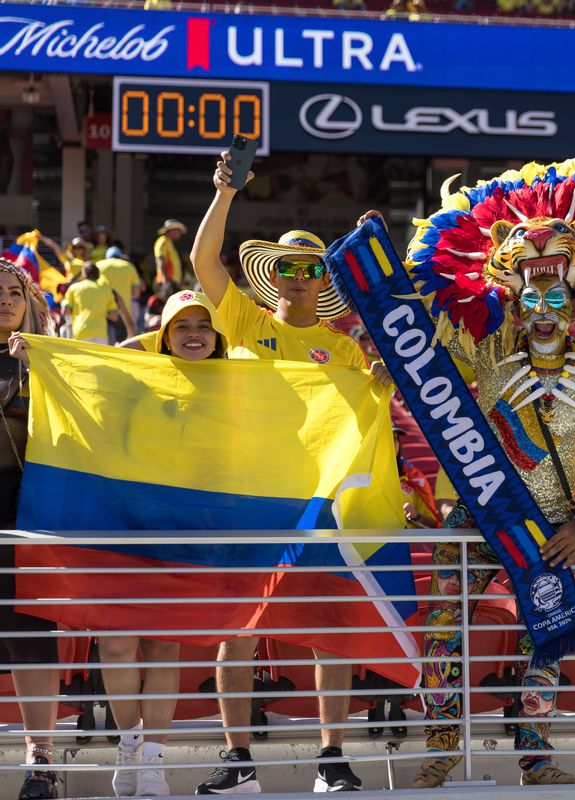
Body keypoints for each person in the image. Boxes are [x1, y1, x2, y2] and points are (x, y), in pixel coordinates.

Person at [386, 158, 575, 789]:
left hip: (553, 527)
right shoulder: (485, 353)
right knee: (444, 632)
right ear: (513, 303)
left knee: (544, 639)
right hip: (474, 518)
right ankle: (441, 743)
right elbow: (413, 329)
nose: (542, 309)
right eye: (530, 297)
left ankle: (536, 754)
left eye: (555, 298)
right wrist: (381, 260)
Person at [190, 152, 376, 794]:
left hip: (320, 501)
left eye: (312, 268)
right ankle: (237, 760)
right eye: (290, 266)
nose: (300, 276)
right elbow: (202, 265)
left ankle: (332, 760)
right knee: (236, 629)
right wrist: (224, 192)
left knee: (331, 627)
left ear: (321, 278)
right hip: (249, 495)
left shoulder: (347, 348)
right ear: (277, 275)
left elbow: (365, 423)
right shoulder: (242, 320)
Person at [75, 292, 227, 798]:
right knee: (116, 644)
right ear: (160, 336)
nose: (193, 334)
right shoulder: (135, 375)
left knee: (163, 646)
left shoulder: (242, 386)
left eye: (204, 325)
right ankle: (129, 744)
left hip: (189, 536)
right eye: (180, 325)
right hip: (124, 528)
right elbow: (95, 369)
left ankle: (154, 764)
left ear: (219, 335)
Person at [0, 258, 59, 800]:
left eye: (14, 290)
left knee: (29, 637)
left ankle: (39, 760)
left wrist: (43, 368)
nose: (4, 298)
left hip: (26, 511)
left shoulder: (47, 358)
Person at [63, 263, 117, 344]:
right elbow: (114, 316)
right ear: (98, 275)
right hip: (100, 333)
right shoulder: (105, 290)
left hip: (80, 332)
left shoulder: (74, 288)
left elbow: (65, 311)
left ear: (84, 274)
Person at [97, 246, 145, 338]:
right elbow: (136, 292)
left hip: (102, 309)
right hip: (123, 311)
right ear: (120, 256)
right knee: (120, 341)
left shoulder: (99, 265)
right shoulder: (129, 266)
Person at [154, 219, 188, 289]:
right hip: (168, 282)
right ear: (172, 230)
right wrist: (166, 281)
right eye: (178, 231)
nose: (180, 233)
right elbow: (160, 261)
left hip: (172, 282)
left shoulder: (169, 243)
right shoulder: (163, 241)